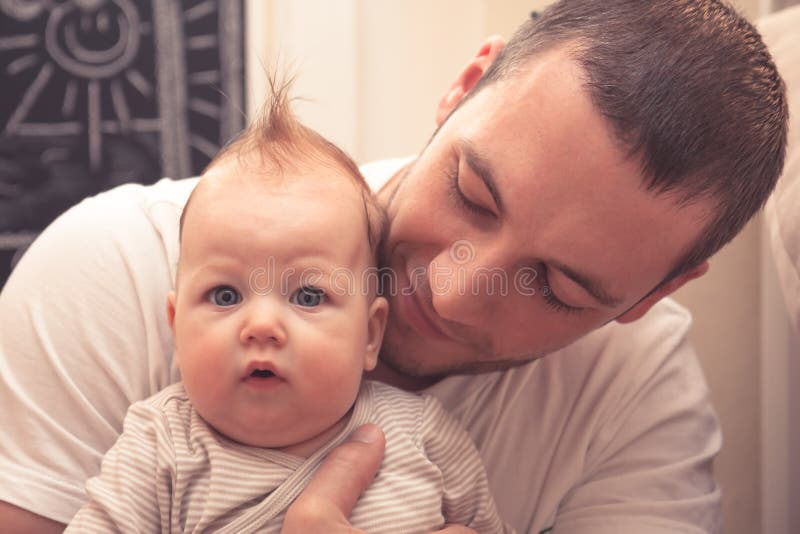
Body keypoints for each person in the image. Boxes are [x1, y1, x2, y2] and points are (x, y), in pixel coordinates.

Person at [0, 1, 788, 533]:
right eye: (473, 194)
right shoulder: (118, 270)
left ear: (655, 293)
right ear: (464, 88)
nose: (451, 294)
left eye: (557, 287)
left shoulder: (635, 392)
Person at [64, 85, 508, 533]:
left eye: (309, 296)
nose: (261, 325)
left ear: (370, 334)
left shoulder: (423, 435)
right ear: (177, 328)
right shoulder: (161, 445)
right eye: (224, 296)